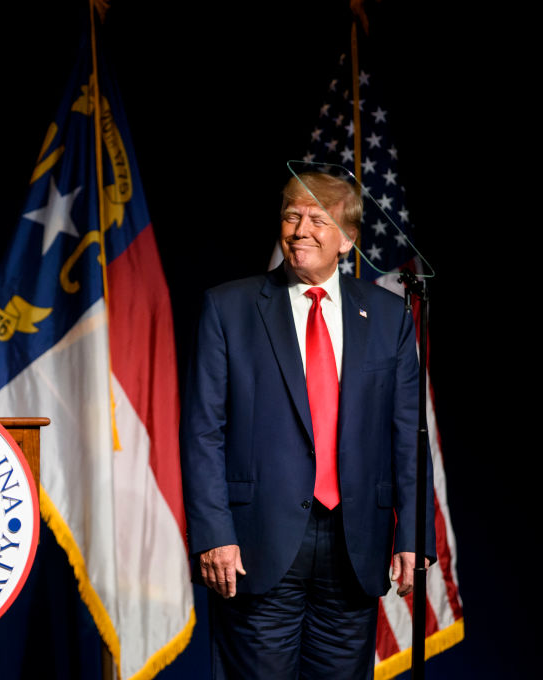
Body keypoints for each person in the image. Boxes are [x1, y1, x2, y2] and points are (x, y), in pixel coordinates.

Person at [180, 172, 435, 679]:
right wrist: (213, 533)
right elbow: (203, 429)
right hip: (254, 544)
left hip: (355, 544)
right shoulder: (228, 307)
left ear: (348, 239)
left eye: (319, 219)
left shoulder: (388, 316)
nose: (301, 230)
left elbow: (408, 433)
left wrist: (413, 534)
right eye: (292, 216)